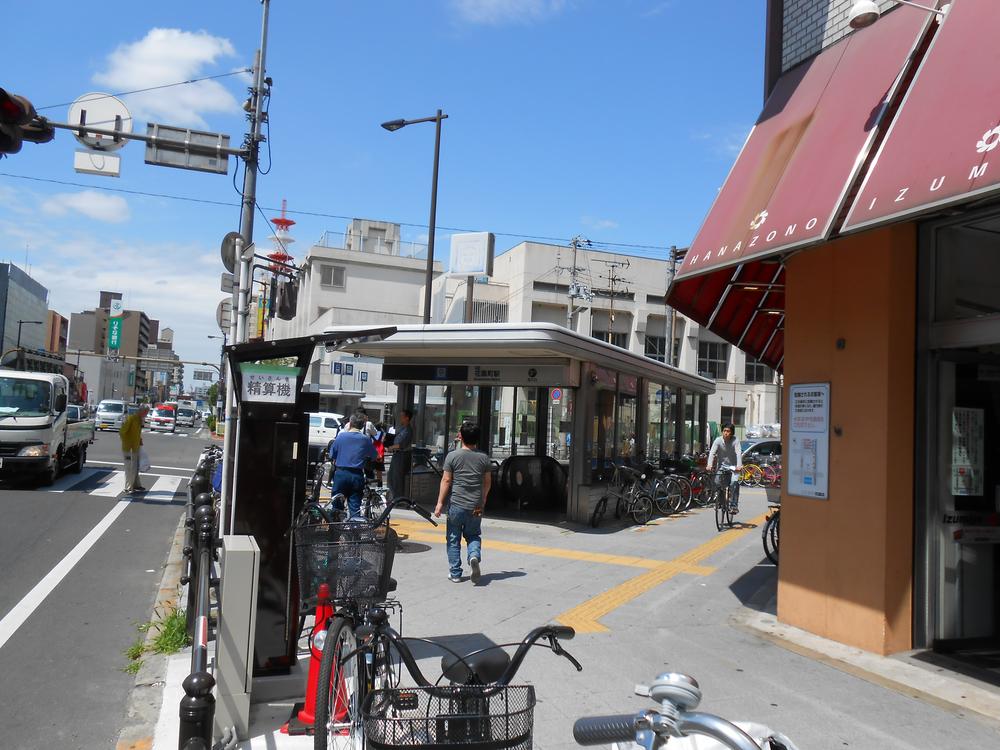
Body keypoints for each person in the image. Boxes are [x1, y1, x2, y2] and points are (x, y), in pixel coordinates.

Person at [434, 422, 492, 583]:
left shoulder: (453, 456)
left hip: (457, 505)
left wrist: (439, 503)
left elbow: (446, 480)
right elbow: (487, 481)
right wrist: (484, 497)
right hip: (476, 506)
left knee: (453, 537)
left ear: (462, 437)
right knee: (473, 534)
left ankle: (455, 573)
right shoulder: (484, 458)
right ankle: (473, 556)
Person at [328, 411, 378, 518]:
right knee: (355, 507)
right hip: (357, 475)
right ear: (362, 426)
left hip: (341, 474)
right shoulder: (365, 440)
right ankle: (354, 531)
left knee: (337, 506)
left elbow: (332, 454)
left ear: (350, 423)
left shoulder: (341, 437)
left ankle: (334, 530)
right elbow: (374, 456)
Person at [707, 422, 743, 511]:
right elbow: (712, 453)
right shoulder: (718, 440)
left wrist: (739, 466)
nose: (726, 433)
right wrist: (709, 465)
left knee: (734, 484)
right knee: (717, 482)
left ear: (732, 433)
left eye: (728, 431)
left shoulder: (735, 440)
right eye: (724, 431)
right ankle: (721, 502)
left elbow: (738, 453)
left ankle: (734, 505)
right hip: (722, 466)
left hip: (734, 467)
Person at [120, 405, 149, 495]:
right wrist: (128, 442)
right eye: (146, 412)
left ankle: (136, 485)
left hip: (135, 447)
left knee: (135, 467)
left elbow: (136, 433)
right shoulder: (131, 419)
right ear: (142, 411)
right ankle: (128, 487)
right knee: (130, 468)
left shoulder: (139, 420)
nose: (146, 415)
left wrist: (139, 440)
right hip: (129, 448)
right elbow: (122, 432)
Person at [386, 409, 413, 499]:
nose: (400, 418)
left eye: (402, 416)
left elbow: (401, 444)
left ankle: (398, 498)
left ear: (407, 418)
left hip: (402, 455)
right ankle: (394, 497)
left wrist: (391, 447)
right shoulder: (401, 428)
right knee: (391, 476)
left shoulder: (408, 430)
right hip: (396, 454)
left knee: (397, 477)